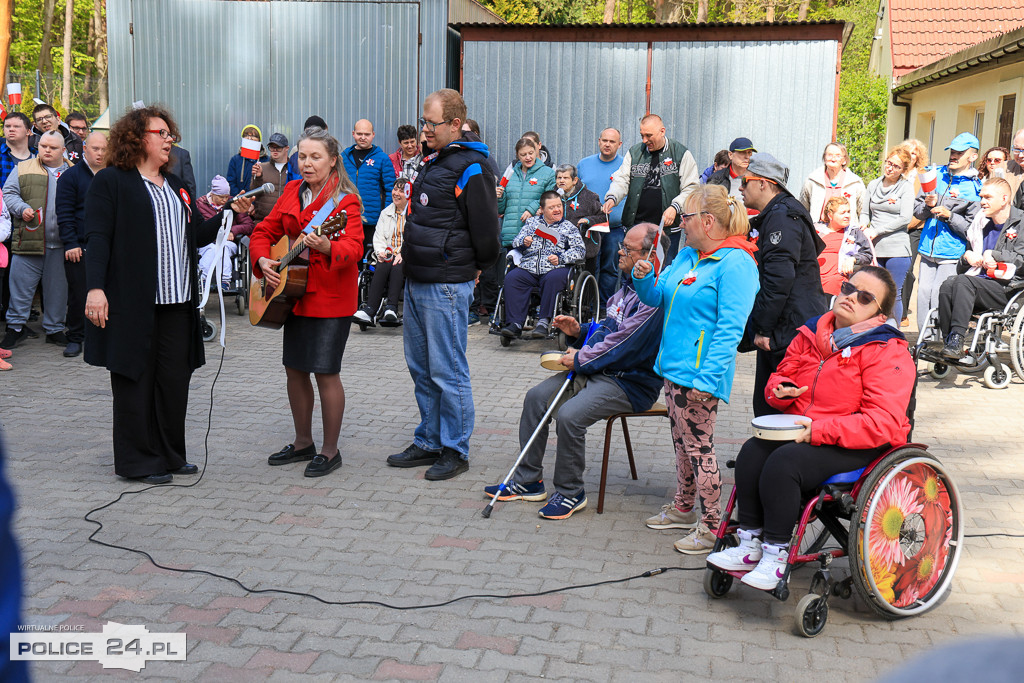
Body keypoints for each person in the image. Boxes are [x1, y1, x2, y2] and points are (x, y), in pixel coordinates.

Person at [706, 266, 914, 590]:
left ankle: (775, 554)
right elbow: (781, 375)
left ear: (879, 313)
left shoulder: (887, 351)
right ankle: (749, 544)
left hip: (861, 443)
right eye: (848, 288)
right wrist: (779, 389)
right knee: (751, 452)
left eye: (865, 297)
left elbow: (882, 422)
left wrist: (819, 430)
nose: (850, 298)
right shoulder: (812, 332)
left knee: (785, 463)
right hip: (805, 431)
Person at [83, 104, 253, 484]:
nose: (169, 139)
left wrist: (226, 215)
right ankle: (138, 461)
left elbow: (192, 237)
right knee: (134, 380)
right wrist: (95, 289)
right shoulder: (112, 181)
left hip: (178, 302)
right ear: (136, 138)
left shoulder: (177, 187)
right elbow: (97, 238)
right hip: (132, 303)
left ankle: (171, 455)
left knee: (174, 382)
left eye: (169, 133)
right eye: (160, 133)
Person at [483, 223, 666, 520]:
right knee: (535, 399)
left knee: (569, 416)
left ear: (651, 257)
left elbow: (625, 345)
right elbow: (608, 331)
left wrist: (580, 358)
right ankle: (528, 480)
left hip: (630, 383)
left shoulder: (652, 300)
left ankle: (570, 492)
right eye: (622, 245)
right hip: (600, 371)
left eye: (627, 249)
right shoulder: (624, 289)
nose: (619, 251)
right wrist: (579, 332)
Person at [633, 185, 760, 554]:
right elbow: (658, 297)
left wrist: (707, 378)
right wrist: (644, 277)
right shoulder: (689, 254)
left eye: (686, 218)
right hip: (673, 368)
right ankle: (684, 508)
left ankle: (711, 526)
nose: (681, 225)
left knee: (699, 449)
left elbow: (730, 329)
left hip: (700, 375)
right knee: (681, 445)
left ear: (707, 221)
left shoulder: (737, 264)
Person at [387, 88, 500, 481]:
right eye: (423, 122)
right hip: (418, 280)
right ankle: (429, 439)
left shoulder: (472, 167)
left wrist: (476, 268)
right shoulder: (434, 162)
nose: (424, 130)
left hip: (447, 284)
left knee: (448, 370)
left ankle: (455, 448)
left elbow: (487, 231)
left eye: (430, 123)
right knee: (421, 367)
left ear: (455, 124)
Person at [249, 127, 363, 478]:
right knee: (295, 369)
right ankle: (303, 443)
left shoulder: (345, 201)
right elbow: (263, 232)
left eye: (315, 157)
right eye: (303, 156)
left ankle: (330, 450)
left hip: (330, 298)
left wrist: (329, 246)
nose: (307, 163)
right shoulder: (291, 191)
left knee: (325, 373)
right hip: (292, 295)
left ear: (332, 161)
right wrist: (262, 261)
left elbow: (356, 247)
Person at [739, 152, 826, 417]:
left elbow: (778, 279)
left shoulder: (783, 217)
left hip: (789, 327)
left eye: (746, 181)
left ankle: (775, 457)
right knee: (768, 405)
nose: (741, 187)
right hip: (787, 323)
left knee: (778, 407)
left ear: (764, 183)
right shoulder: (777, 214)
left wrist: (763, 329)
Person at [935, 177, 1024, 359]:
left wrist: (996, 255)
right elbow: (963, 268)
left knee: (962, 282)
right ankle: (949, 341)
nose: (982, 202)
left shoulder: (1021, 223)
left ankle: (957, 339)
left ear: (1004, 199)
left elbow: (1021, 260)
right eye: (981, 196)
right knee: (948, 284)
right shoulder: (982, 223)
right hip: (978, 283)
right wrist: (967, 258)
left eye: (988, 197)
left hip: (1008, 288)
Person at [1, 131, 70, 351]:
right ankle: (15, 328)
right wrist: (22, 209)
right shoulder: (23, 168)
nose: (47, 151)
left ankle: (55, 329)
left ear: (63, 150)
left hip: (61, 244)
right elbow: (9, 193)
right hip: (28, 241)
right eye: (43, 146)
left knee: (58, 290)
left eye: (53, 147)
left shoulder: (73, 172)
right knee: (20, 288)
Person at [602, 114, 700, 266]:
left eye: (649, 135)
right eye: (642, 135)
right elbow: (621, 179)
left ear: (662, 131)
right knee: (633, 272)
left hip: (666, 230)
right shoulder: (634, 153)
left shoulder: (680, 153)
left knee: (662, 272)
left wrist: (675, 208)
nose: (644, 140)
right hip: (636, 227)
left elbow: (692, 188)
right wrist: (612, 197)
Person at [913, 132, 981, 336]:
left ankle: (941, 341)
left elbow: (972, 229)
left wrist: (949, 215)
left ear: (972, 156)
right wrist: (927, 206)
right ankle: (924, 342)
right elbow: (917, 211)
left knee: (938, 296)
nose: (954, 156)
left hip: (951, 254)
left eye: (960, 152)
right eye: (952, 151)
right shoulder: (935, 175)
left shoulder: (975, 188)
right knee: (923, 295)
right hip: (927, 250)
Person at [500, 191, 586, 340]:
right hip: (530, 266)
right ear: (542, 209)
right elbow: (515, 242)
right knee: (513, 278)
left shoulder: (568, 227)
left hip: (555, 267)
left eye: (559, 206)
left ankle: (543, 322)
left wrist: (561, 258)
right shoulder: (532, 223)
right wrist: (523, 242)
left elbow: (580, 251)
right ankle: (514, 323)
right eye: (552, 207)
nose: (557, 210)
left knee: (553, 279)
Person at [55, 131, 108, 358]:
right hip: (80, 245)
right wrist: (70, 243)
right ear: (85, 147)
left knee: (109, 292)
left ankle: (105, 338)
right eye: (95, 148)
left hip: (110, 245)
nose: (100, 153)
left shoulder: (114, 175)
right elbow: (64, 213)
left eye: (104, 149)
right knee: (79, 294)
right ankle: (76, 337)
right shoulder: (71, 177)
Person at [861, 146, 915, 321]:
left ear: (904, 170)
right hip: (875, 248)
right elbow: (864, 212)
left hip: (897, 249)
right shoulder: (873, 184)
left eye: (896, 166)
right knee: (874, 293)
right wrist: (863, 226)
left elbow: (905, 218)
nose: (890, 168)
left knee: (893, 294)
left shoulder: (905, 188)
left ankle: (893, 333)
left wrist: (877, 230)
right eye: (889, 163)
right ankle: (874, 331)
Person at [577, 127, 625, 301]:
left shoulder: (625, 165)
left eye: (612, 142)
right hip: (591, 227)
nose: (607, 144)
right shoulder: (584, 164)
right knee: (590, 267)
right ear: (599, 141)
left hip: (615, 228)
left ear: (619, 145)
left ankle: (605, 306)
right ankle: (587, 307)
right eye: (604, 140)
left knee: (610, 269)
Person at [353, 177, 408, 326]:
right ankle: (369, 310)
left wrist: (404, 253)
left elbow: (416, 238)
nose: (396, 193)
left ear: (409, 194)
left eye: (401, 191)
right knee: (383, 262)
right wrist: (381, 252)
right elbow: (378, 237)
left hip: (406, 256)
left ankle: (391, 308)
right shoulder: (385, 213)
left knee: (397, 265)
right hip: (388, 253)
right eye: (395, 189)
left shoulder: (414, 214)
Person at [342, 119, 397, 252]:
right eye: (359, 134)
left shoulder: (382, 158)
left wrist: (385, 216)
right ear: (353, 134)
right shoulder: (343, 157)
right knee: (350, 256)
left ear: (373, 135)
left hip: (373, 221)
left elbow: (391, 190)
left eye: (367, 134)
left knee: (370, 259)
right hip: (347, 219)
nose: (363, 137)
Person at [196, 175, 254, 291]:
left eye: (226, 197)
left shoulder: (234, 203)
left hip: (228, 241)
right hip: (206, 242)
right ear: (212, 194)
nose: (224, 200)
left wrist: (233, 230)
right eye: (221, 197)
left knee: (223, 248)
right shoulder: (199, 204)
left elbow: (249, 225)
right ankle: (203, 280)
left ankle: (224, 281)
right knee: (211, 249)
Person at [816, 196, 874, 297]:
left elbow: (867, 255)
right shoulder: (817, 230)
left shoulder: (854, 232)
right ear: (830, 215)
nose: (847, 215)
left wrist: (853, 259)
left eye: (848, 212)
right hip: (813, 280)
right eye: (842, 213)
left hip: (837, 283)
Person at [798, 141, 866, 226]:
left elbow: (863, 211)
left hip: (847, 233)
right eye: (829, 155)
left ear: (844, 160)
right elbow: (802, 209)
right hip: (818, 231)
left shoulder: (855, 183)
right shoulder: (812, 181)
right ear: (824, 158)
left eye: (838, 156)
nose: (833, 159)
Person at [899, 138, 929, 327]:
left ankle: (902, 312)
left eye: (914, 151)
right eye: (907, 150)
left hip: (913, 229)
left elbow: (926, 203)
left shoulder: (922, 176)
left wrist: (908, 224)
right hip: (892, 228)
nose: (911, 154)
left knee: (907, 269)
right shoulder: (895, 172)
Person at [554, 163, 604, 275]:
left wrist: (588, 220)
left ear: (575, 180)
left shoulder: (589, 197)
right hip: (557, 248)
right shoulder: (551, 196)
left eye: (565, 178)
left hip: (585, 247)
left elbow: (604, 217)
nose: (561, 181)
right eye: (559, 178)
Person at [250, 132, 298, 223]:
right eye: (272, 147)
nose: (274, 150)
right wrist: (259, 177)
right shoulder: (261, 167)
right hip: (262, 221)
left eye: (278, 147)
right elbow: (253, 192)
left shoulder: (294, 169)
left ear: (286, 148)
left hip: (286, 223)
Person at [707, 137, 757, 206]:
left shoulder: (757, 178)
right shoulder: (717, 179)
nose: (747, 157)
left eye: (749, 153)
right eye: (742, 153)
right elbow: (709, 206)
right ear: (730, 155)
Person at [226, 124, 265, 195]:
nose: (250, 138)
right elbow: (231, 182)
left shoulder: (266, 160)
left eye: (254, 136)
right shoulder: (235, 160)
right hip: (239, 201)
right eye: (246, 135)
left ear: (259, 139)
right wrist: (240, 198)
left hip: (259, 202)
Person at [288, 115, 328, 179]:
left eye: (315, 157)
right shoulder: (295, 151)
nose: (307, 163)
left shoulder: (330, 150)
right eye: (302, 157)